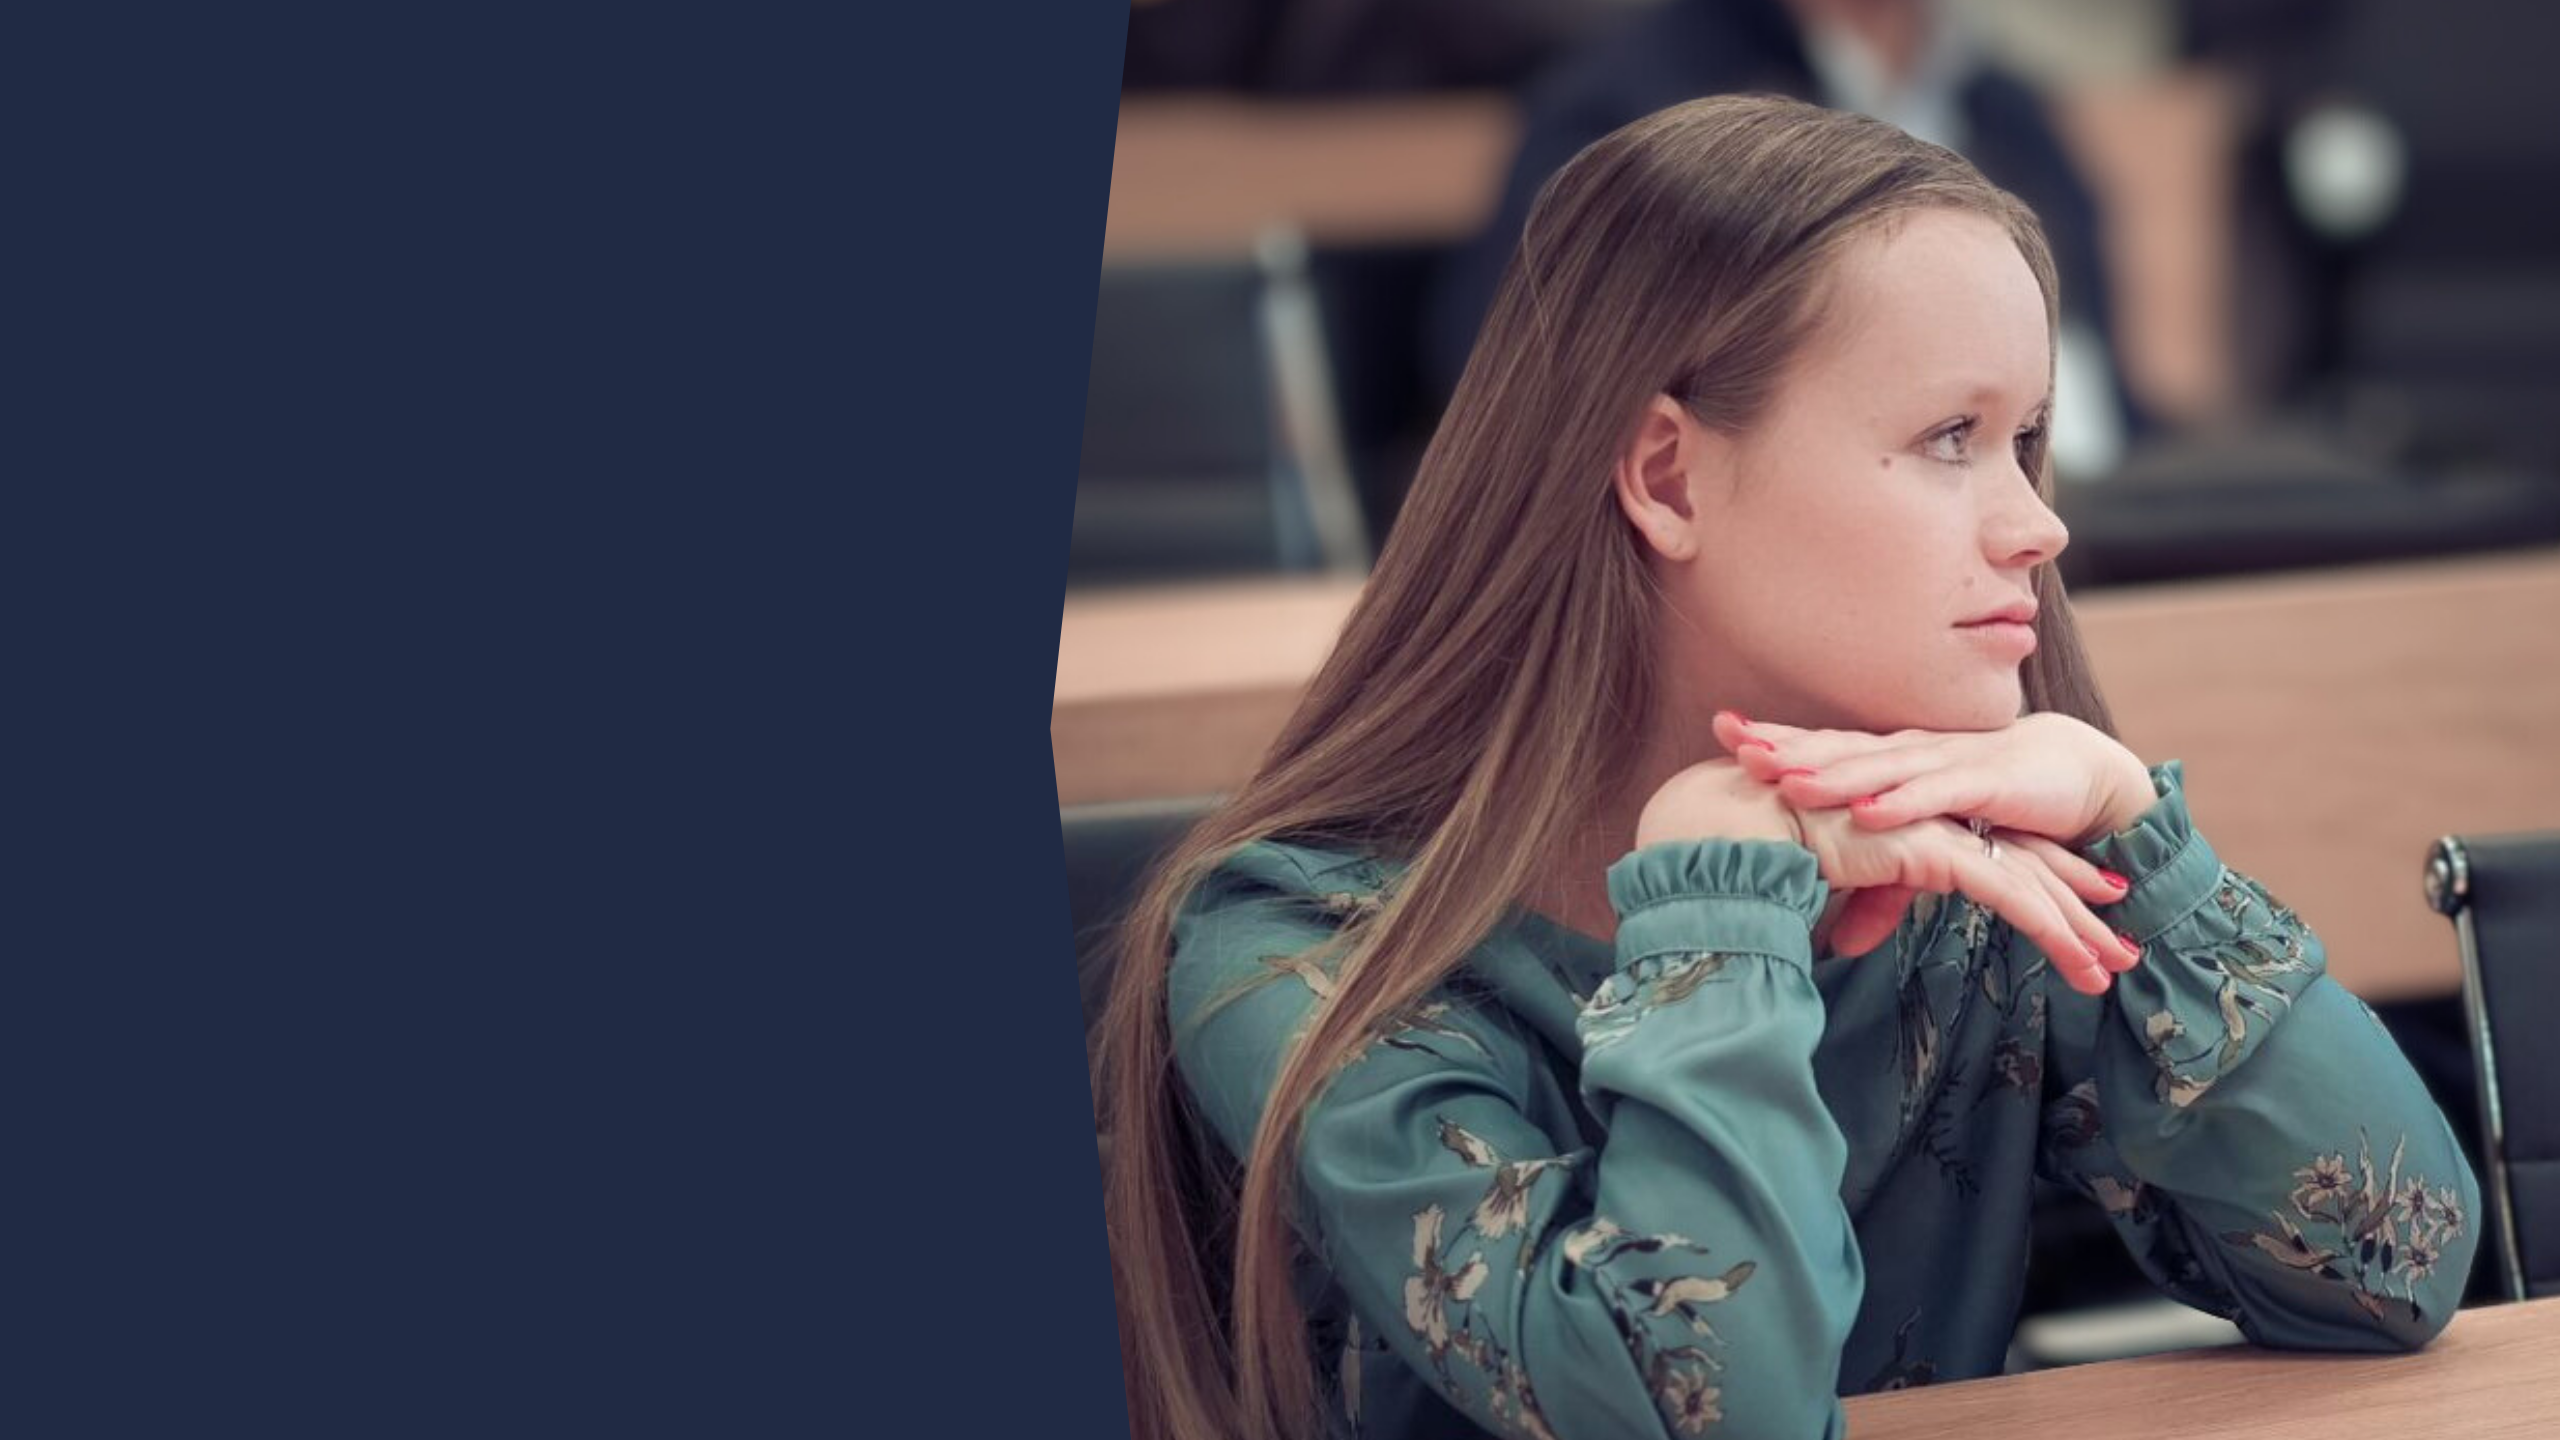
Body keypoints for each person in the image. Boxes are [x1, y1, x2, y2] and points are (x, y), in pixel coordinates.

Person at [1094, 95, 2477, 1440]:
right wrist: (1716, 901)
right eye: (1949, 439)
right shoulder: (1302, 950)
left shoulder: (1969, 887)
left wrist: (2136, 840)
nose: (2038, 527)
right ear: (1668, 479)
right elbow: (1708, 1411)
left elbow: (2392, 1268)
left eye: (2027, 442)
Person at [1426, 0, 2138, 474]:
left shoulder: (2009, 109)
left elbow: (2100, 373)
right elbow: (1531, 400)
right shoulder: (1630, 110)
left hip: (2084, 531)